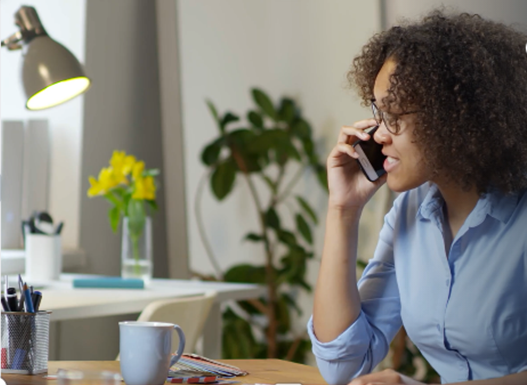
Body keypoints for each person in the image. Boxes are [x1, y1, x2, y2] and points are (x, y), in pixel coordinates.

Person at [308, 9, 527, 385]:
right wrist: (342, 210)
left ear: (455, 117)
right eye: (378, 111)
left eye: (395, 115)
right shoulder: (411, 211)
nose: (378, 134)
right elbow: (342, 365)